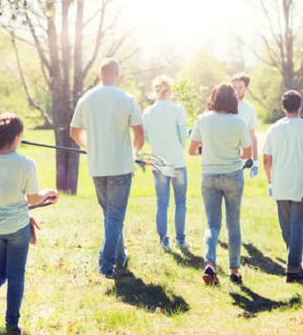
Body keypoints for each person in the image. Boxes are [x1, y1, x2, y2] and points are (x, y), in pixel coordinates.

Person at [0, 113, 59, 334]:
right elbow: (33, 198)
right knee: (16, 275)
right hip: (17, 229)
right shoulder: (26, 163)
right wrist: (49, 193)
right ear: (18, 136)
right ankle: (11, 325)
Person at [70, 57, 144, 278]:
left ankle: (120, 257)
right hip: (120, 165)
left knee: (111, 215)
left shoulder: (87, 98)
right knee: (115, 216)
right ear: (117, 74)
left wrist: (90, 147)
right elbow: (140, 134)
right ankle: (105, 263)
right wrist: (133, 154)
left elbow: (74, 132)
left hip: (97, 165)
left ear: (100, 74)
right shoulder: (127, 98)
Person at [188, 83, 252, 286]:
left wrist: (206, 151)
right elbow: (247, 154)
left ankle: (209, 264)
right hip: (233, 176)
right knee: (233, 223)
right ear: (233, 100)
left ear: (214, 99)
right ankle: (234, 271)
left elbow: (191, 150)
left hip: (209, 176)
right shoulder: (239, 122)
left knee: (212, 224)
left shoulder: (203, 119)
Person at [262, 90, 303, 283]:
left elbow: (266, 159)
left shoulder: (273, 129)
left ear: (283, 107)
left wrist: (270, 181)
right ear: (300, 106)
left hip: (280, 186)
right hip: (301, 185)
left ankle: (294, 263)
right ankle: (294, 268)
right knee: (297, 228)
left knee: (287, 228)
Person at [143, 75, 190, 251]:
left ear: (155, 92)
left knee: (161, 203)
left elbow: (147, 137)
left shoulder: (147, 112)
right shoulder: (177, 109)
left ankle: (163, 241)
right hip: (177, 162)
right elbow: (184, 136)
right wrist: (179, 146)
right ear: (170, 91)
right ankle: (180, 240)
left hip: (158, 163)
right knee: (180, 202)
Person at [232, 73, 259, 178]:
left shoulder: (249, 109)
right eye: (234, 87)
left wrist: (255, 162)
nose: (236, 90)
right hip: (221, 158)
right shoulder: (222, 105)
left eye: (240, 87)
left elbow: (252, 136)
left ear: (246, 88)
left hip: (240, 160)